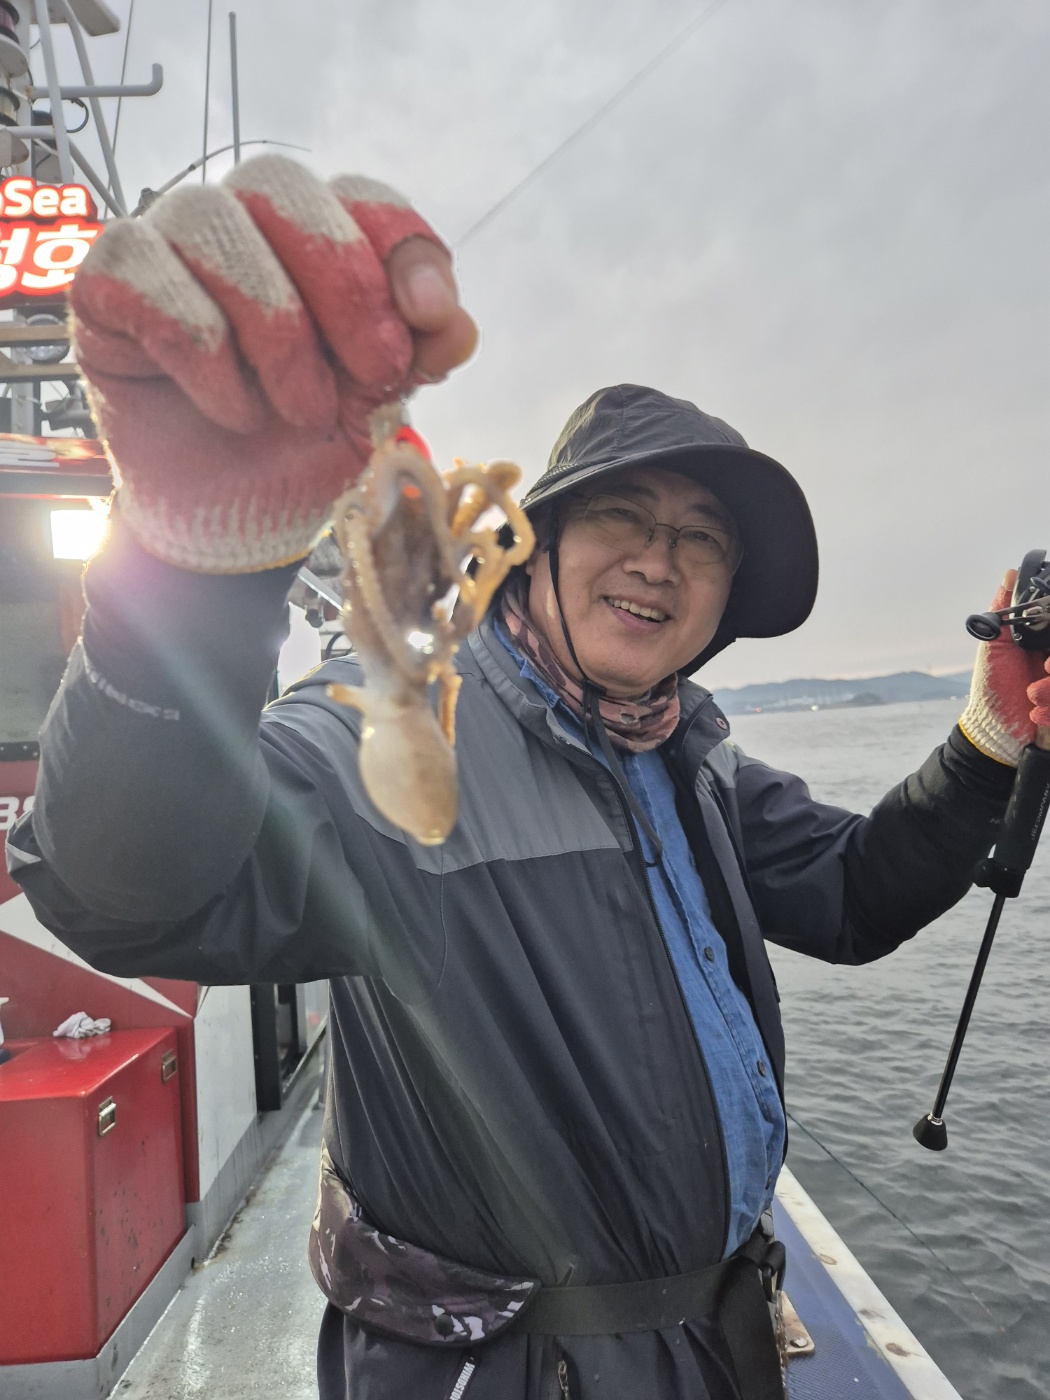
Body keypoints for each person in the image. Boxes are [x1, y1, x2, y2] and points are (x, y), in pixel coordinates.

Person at [7, 157, 1050, 1400]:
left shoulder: (694, 757)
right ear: (533, 549)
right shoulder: (396, 730)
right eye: (623, 517)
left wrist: (989, 738)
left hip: (710, 1347)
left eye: (703, 539)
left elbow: (854, 892)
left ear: (725, 598)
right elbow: (122, 889)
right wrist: (188, 567)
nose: (660, 561)